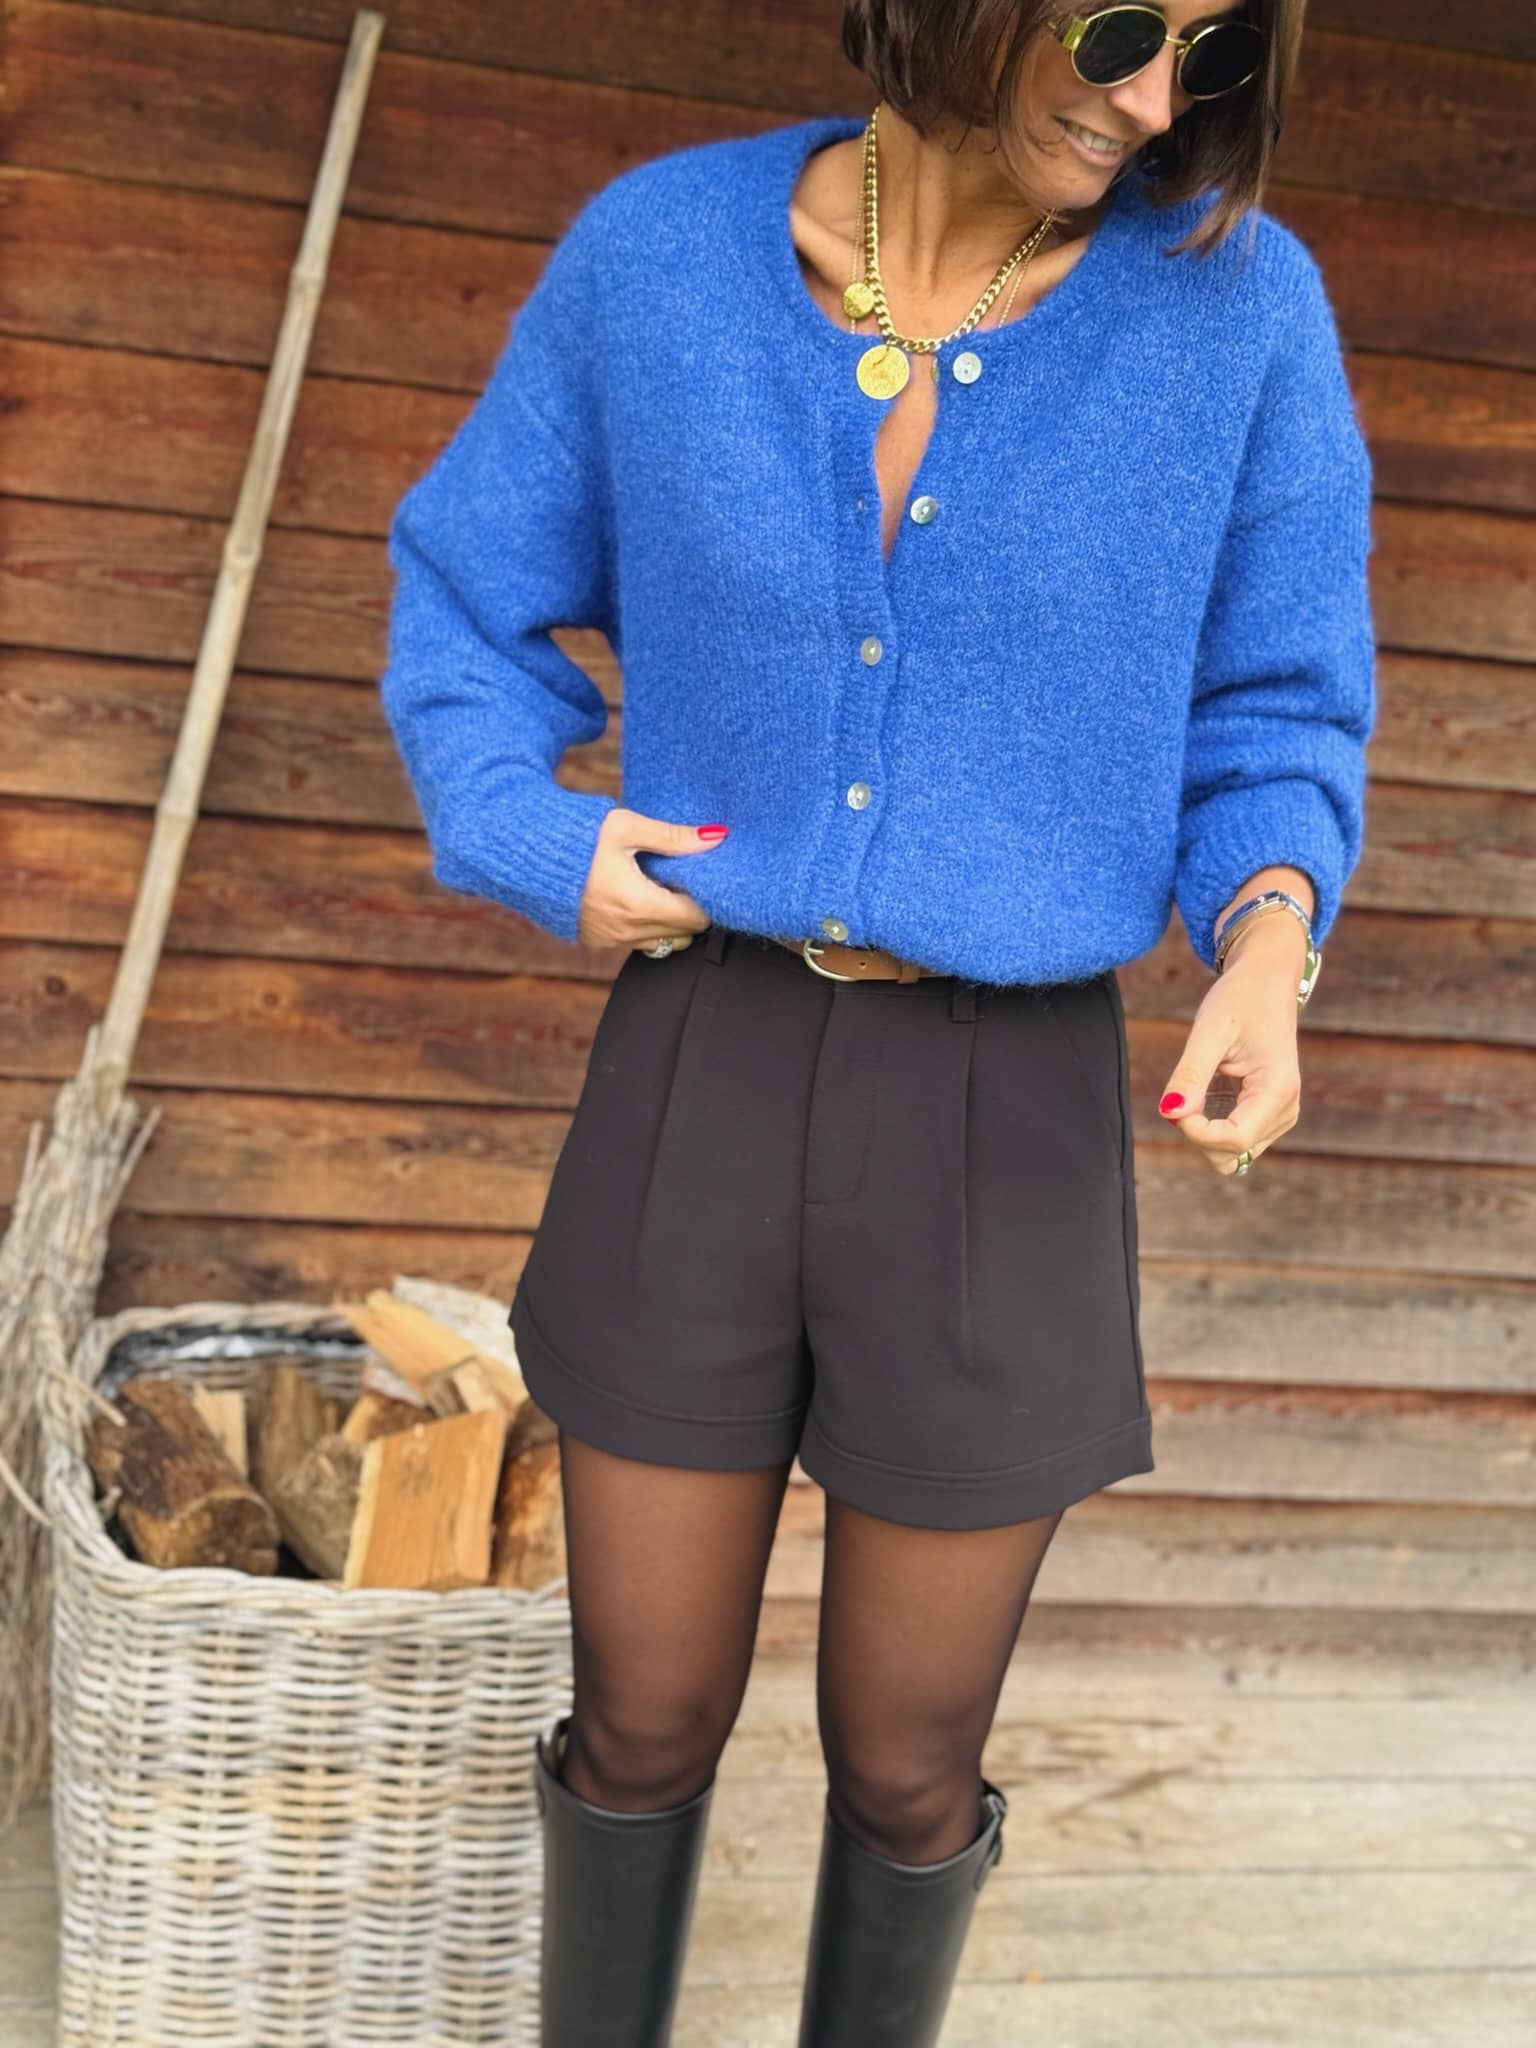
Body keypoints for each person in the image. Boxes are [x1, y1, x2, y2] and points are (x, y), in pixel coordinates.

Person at [379, 2, 1375, 2040]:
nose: (1155, 100)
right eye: (1119, 27)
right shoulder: (659, 257)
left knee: (909, 1762)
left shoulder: (1240, 314)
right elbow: (465, 595)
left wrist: (1265, 949)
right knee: (641, 1718)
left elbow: (1278, 706)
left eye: (1210, 56)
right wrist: (527, 830)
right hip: (704, 1059)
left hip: (1003, 1110)